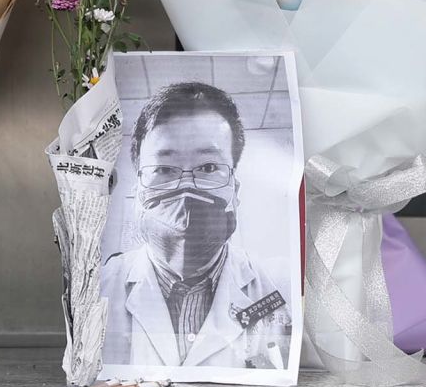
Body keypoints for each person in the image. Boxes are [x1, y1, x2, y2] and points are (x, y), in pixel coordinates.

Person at [100, 81, 291, 370]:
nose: (187, 189)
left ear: (234, 190)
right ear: (139, 190)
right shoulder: (102, 287)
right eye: (164, 169)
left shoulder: (278, 288)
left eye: (208, 168)